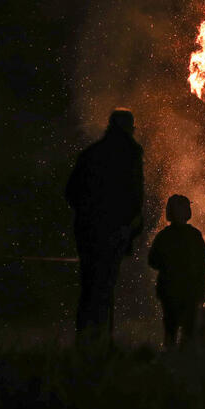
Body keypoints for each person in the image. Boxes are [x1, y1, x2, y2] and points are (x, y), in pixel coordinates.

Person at [65, 108, 144, 343]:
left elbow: (71, 192)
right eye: (132, 126)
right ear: (126, 127)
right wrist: (128, 225)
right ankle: (101, 343)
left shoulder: (91, 153)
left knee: (89, 287)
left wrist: (88, 216)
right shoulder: (130, 153)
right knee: (105, 287)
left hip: (87, 233)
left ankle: (84, 342)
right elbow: (134, 195)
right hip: (114, 232)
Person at [148, 194, 205, 348]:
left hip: (176, 290)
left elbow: (153, 261)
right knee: (183, 330)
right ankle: (183, 362)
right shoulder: (192, 236)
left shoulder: (165, 236)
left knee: (174, 329)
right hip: (183, 290)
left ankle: (174, 362)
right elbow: (203, 266)